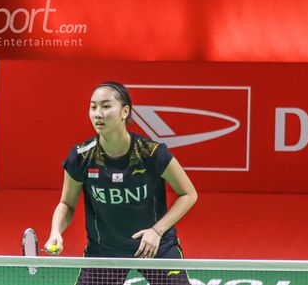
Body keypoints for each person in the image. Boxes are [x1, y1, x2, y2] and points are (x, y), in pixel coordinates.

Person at [45, 82, 198, 284]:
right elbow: (67, 204)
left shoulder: (151, 153)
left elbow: (188, 194)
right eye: (93, 107)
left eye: (106, 106)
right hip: (105, 251)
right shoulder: (81, 156)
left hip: (155, 246)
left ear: (124, 111)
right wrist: (56, 230)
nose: (98, 113)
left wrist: (157, 231)